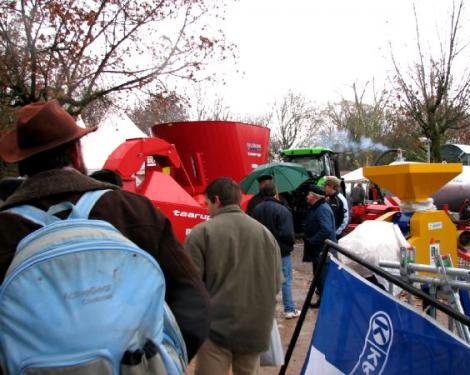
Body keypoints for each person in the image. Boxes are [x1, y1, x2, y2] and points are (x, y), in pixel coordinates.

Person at [0, 100, 210, 361]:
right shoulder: (134, 211)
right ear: (77, 153)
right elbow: (194, 303)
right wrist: (162, 362)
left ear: (21, 163)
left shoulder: (5, 228)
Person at [184, 177, 282, 375]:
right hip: (256, 327)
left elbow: (189, 286)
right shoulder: (266, 234)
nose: (207, 210)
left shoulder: (201, 233)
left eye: (207, 204)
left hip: (216, 328)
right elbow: (277, 284)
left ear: (217, 200)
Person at [252, 182, 300, 319]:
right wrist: (289, 245)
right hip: (282, 251)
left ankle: (267, 311)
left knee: (266, 280)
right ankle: (289, 309)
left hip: (263, 250)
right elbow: (288, 234)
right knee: (286, 280)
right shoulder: (282, 209)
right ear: (275, 193)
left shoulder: (257, 210)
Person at [303, 184, 336, 308]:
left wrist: (312, 240)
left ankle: (326, 305)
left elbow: (326, 230)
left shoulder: (322, 209)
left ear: (314, 197)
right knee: (319, 279)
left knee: (323, 280)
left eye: (308, 194)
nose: (306, 196)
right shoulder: (317, 207)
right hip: (319, 252)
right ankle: (322, 301)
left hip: (323, 252)